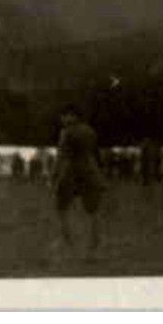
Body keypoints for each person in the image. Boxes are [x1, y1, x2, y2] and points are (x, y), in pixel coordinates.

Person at [52, 107, 104, 253]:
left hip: (72, 171)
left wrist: (55, 175)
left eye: (63, 116)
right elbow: (95, 154)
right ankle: (94, 241)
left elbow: (62, 156)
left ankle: (66, 239)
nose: (62, 120)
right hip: (91, 171)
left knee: (61, 207)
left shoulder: (66, 132)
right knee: (92, 209)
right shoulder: (90, 131)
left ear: (70, 116)